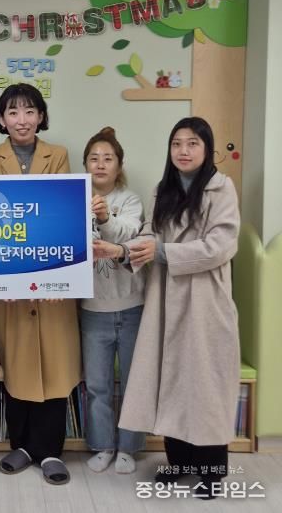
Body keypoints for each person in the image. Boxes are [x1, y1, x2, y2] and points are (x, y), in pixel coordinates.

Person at [93, 117, 240, 499]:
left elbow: (221, 245)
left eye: (192, 143)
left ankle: (211, 472)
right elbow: (149, 235)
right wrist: (120, 250)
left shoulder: (221, 188)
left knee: (204, 387)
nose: (183, 151)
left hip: (204, 303)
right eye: (177, 144)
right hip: (165, 301)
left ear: (207, 149)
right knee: (171, 382)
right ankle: (179, 464)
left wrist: (163, 252)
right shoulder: (164, 190)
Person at [0, 84, 81, 485]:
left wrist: (51, 273)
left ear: (41, 117)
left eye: (29, 111)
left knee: (55, 368)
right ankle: (21, 446)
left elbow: (57, 213)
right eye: (13, 112)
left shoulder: (59, 154)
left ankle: (50, 451)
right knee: (17, 367)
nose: (21, 120)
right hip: (9, 283)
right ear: (1, 119)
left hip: (52, 278)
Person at [80, 127, 146, 475]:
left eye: (108, 158)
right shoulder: (74, 198)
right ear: (85, 165)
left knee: (135, 383)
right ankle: (103, 445)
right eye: (94, 158)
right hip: (92, 310)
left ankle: (129, 447)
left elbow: (127, 235)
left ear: (119, 165)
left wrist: (105, 217)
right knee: (97, 385)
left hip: (133, 307)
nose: (101, 164)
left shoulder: (131, 200)